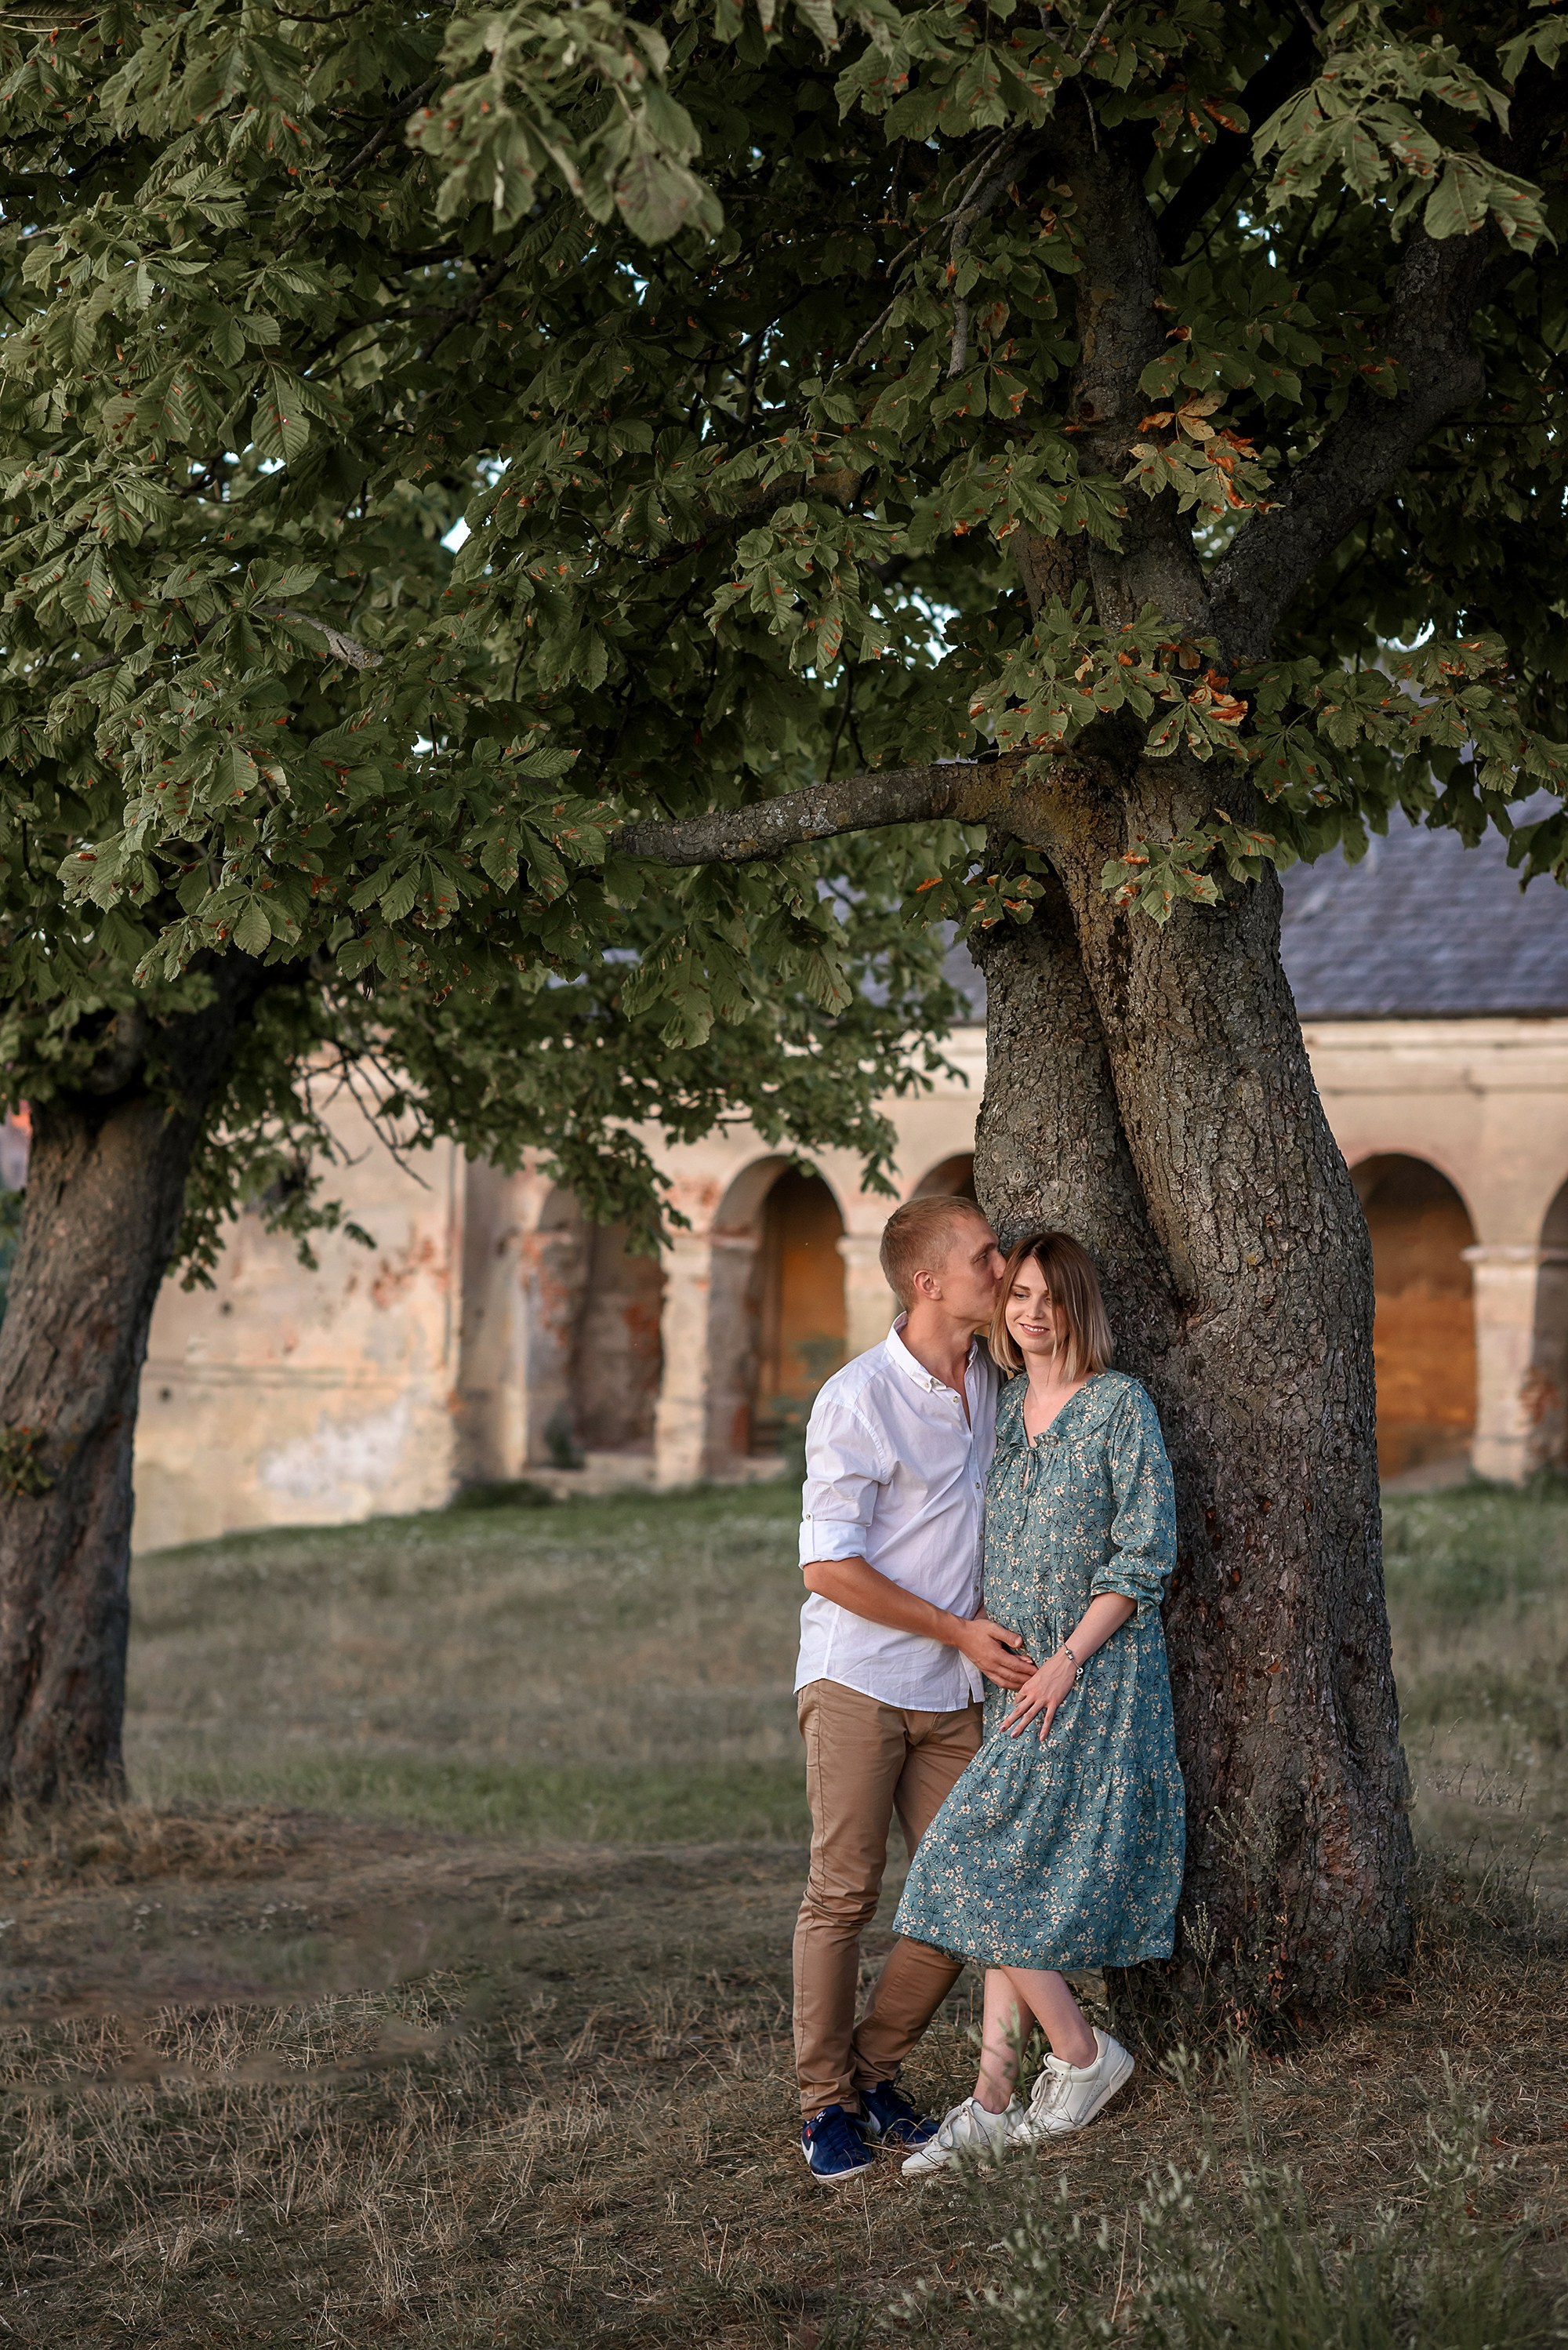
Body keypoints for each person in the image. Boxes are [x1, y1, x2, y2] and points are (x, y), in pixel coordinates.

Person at [892, 1229, 1185, 2178]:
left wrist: (1065, 1661)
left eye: (1047, 1297)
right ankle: (987, 2097)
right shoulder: (1007, 1404)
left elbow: (1143, 1554)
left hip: (1090, 1680)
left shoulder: (1117, 1407)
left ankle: (1083, 2057)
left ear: (1076, 1308)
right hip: (1011, 1681)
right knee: (1001, 1871)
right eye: (1016, 1293)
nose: (1027, 1311)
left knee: (963, 1864)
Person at [792, 1193, 1037, 2185]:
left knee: (960, 1895)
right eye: (986, 1258)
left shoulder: (995, 1379)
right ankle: (822, 2108)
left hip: (954, 1692)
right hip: (858, 1678)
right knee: (841, 1896)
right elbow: (827, 1569)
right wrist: (953, 1630)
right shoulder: (856, 1398)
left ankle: (871, 2073)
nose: (1003, 1269)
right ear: (927, 1282)